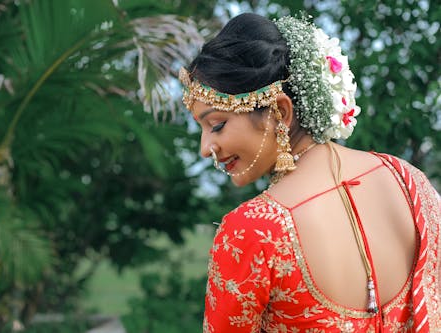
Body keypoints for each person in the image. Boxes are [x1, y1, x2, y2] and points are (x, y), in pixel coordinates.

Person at [179, 13, 441, 332]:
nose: (206, 148)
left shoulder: (252, 230)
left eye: (216, 125)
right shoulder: (407, 179)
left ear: (281, 112)